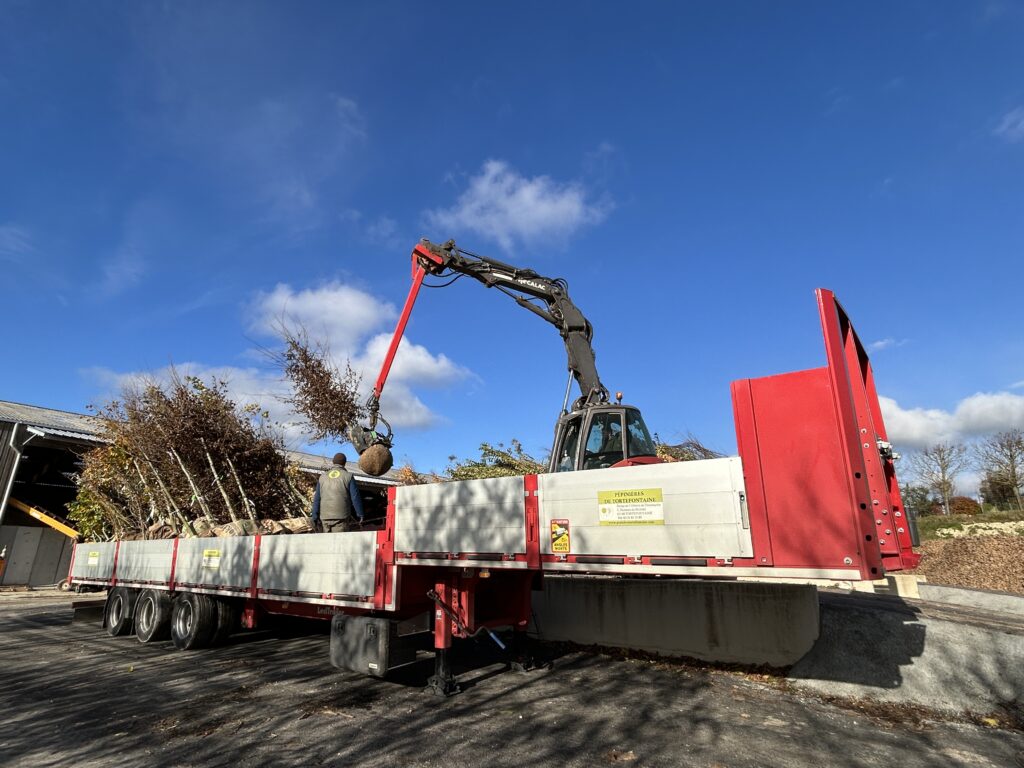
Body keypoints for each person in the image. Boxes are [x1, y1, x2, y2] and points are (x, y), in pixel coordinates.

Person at [310, 453, 365, 532]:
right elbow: (355, 497)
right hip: (341, 517)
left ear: (333, 462)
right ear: (344, 463)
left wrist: (314, 516)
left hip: (325, 518)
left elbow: (317, 498)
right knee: (339, 543)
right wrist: (360, 514)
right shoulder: (348, 476)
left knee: (327, 542)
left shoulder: (322, 477)